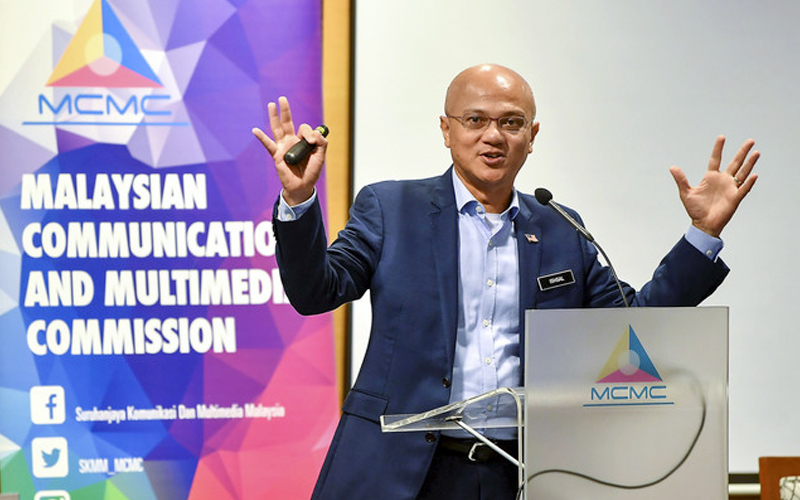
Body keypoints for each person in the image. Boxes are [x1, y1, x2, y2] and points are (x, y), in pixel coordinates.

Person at [252, 64, 759, 500]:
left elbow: (631, 327)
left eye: (511, 123)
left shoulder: (561, 227)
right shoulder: (391, 208)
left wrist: (702, 234)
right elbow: (316, 292)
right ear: (446, 129)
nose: (493, 136)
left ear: (532, 136)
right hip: (402, 470)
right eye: (475, 120)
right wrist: (298, 201)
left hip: (522, 472)